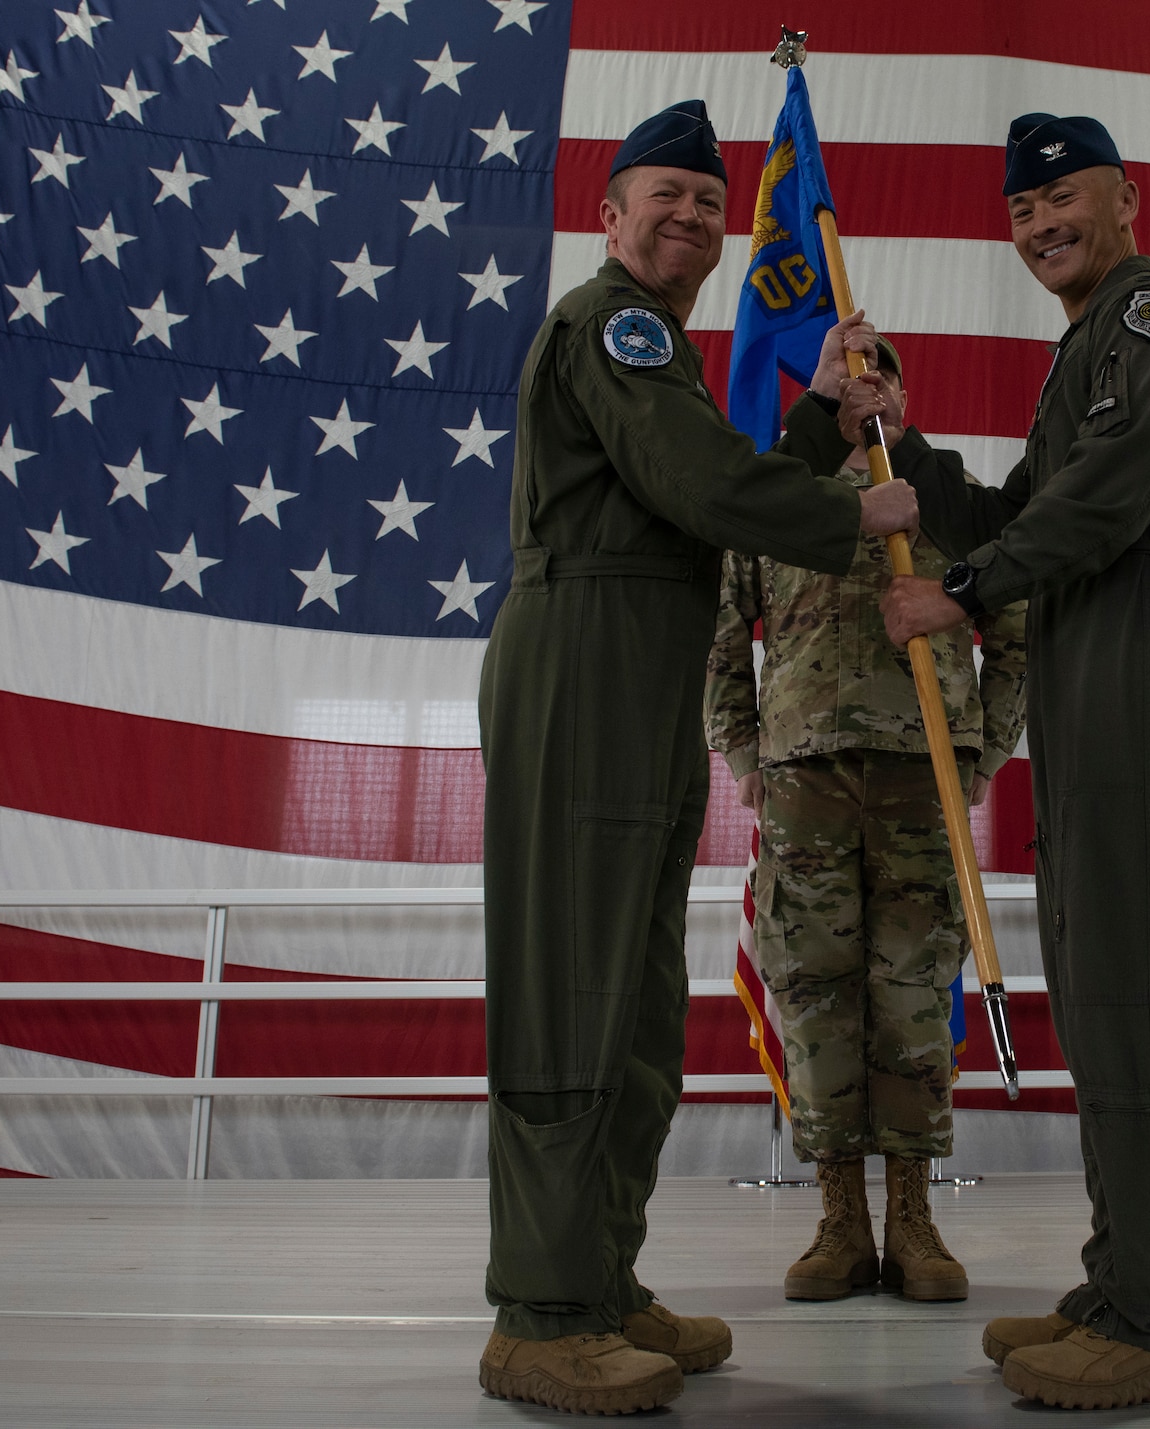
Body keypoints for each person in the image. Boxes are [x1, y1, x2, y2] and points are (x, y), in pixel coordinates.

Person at [476, 99, 920, 1416]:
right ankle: (541, 1313)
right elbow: (696, 486)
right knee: (571, 984)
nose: (687, 216)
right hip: (582, 661)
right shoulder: (611, 324)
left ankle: (600, 1280)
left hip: (640, 662)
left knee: (627, 1000)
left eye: (707, 203)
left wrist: (815, 419)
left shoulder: (654, 349)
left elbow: (696, 487)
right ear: (608, 218)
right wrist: (852, 508)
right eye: (660, 195)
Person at [877, 113, 1150, 1410]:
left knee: (1145, 985)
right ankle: (1123, 1277)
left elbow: (1118, 492)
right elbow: (1025, 504)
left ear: (1127, 198)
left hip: (1146, 639)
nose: (1041, 224)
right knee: (1102, 985)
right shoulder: (1080, 349)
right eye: (1021, 210)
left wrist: (967, 591)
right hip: (1092, 650)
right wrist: (907, 448)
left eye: (1064, 199)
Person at [705, 335, 1030, 1305]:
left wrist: (984, 749)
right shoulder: (776, 491)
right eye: (845, 366)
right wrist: (743, 757)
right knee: (810, 991)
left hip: (916, 772)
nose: (864, 378)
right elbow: (723, 637)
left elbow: (1012, 619)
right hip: (802, 776)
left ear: (902, 387)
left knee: (912, 991)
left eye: (879, 364)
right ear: (821, 387)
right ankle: (839, 1220)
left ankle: (914, 1220)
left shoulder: (944, 488)